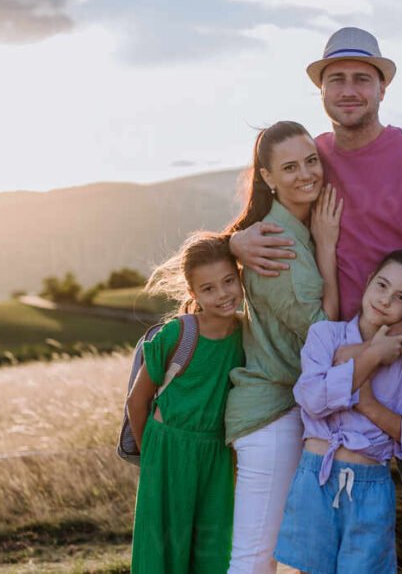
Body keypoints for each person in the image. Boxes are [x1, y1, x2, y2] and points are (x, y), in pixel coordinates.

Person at [231, 27, 402, 573]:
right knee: (334, 530)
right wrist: (232, 242)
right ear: (320, 90)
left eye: (362, 79)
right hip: (334, 363)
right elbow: (263, 200)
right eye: (336, 79)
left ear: (382, 88)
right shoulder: (311, 157)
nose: (349, 90)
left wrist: (387, 347)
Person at [222, 120, 353, 574]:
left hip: (288, 412)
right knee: (255, 560)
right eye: (290, 167)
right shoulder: (275, 242)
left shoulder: (293, 227)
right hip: (271, 417)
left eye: (312, 161)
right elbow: (324, 336)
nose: (306, 174)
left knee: (281, 558)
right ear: (268, 178)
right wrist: (328, 250)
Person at [274, 249, 402, 573]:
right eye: (382, 286)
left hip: (370, 488)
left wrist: (371, 407)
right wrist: (371, 357)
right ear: (369, 281)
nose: (385, 300)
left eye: (400, 297)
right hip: (315, 480)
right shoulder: (325, 337)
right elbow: (312, 399)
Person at [125, 232, 245, 574]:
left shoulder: (246, 335)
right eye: (208, 289)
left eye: (228, 281)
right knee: (163, 549)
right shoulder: (178, 334)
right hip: (167, 448)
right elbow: (137, 401)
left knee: (213, 548)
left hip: (216, 453)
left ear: (240, 276)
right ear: (193, 294)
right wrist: (152, 457)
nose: (222, 294)